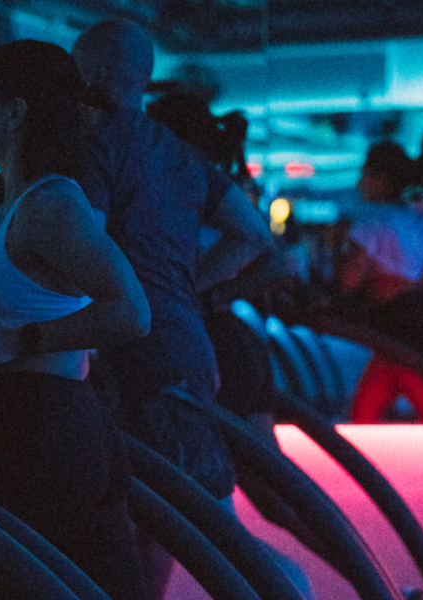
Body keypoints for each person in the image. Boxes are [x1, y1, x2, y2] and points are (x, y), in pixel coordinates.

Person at [0, 40, 151, 600]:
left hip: (50, 440)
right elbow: (25, 308)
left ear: (16, 111)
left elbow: (132, 311)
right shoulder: (24, 202)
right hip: (48, 431)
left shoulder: (52, 205)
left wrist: (21, 341)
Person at [72, 19, 274, 599]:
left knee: (168, 525)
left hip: (133, 355)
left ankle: (289, 588)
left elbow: (85, 247)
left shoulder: (97, 147)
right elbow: (253, 237)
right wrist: (189, 287)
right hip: (184, 350)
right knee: (166, 524)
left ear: (97, 74)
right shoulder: (180, 155)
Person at [336, 140, 423, 422]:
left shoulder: (372, 220)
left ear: (382, 179)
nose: (359, 181)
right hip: (416, 319)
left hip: (394, 324)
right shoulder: (417, 219)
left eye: (365, 173)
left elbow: (349, 279)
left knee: (367, 412)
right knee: (367, 409)